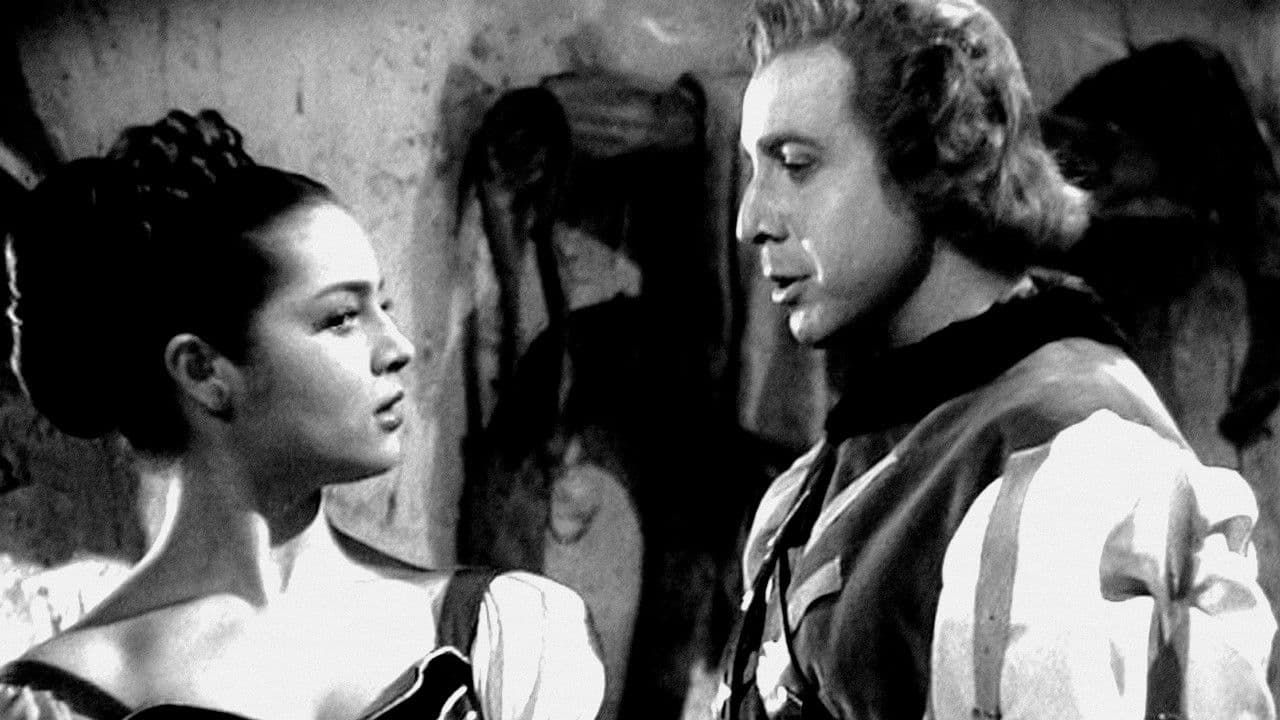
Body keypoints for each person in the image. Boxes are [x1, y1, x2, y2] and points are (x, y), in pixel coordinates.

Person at [717, 1, 1276, 719]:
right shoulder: (856, 456)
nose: (751, 220)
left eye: (796, 165)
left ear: (929, 161)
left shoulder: (1071, 461)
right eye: (753, 169)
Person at [0, 109, 604, 720]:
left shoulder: (508, 637)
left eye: (385, 306)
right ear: (203, 372)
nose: (398, 348)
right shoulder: (54, 701)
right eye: (341, 317)